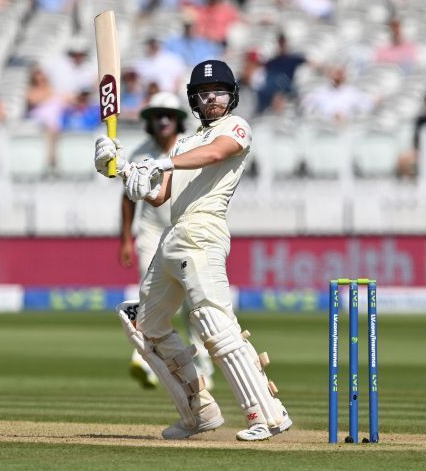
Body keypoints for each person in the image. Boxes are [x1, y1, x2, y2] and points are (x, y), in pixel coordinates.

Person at [94, 59, 291, 441]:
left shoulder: (236, 128)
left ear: (231, 95)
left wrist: (159, 162)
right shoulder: (185, 142)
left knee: (214, 324)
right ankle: (199, 412)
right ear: (193, 100)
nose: (211, 98)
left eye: (218, 91)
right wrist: (121, 171)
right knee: (144, 326)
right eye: (203, 93)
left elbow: (216, 153)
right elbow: (161, 195)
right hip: (174, 235)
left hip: (203, 232)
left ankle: (267, 416)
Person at [118, 92, 215, 391]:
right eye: (157, 115)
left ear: (177, 120)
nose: (163, 120)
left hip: (185, 230)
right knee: (151, 299)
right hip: (150, 232)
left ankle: (202, 366)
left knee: (192, 304)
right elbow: (128, 198)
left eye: (168, 115)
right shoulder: (139, 154)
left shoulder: (190, 146)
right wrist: (125, 240)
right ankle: (148, 361)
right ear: (150, 121)